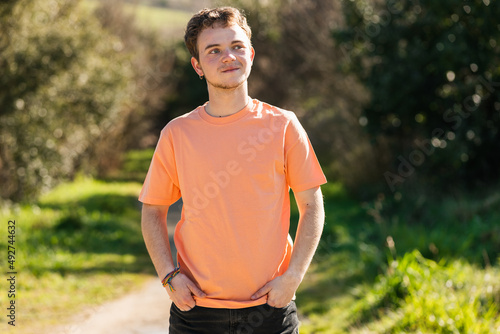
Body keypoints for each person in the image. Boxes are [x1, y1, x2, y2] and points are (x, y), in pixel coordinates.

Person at [139, 6, 326, 334]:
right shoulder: (177, 134)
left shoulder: (283, 126)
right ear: (197, 65)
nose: (228, 57)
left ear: (250, 54)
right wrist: (169, 276)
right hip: (196, 313)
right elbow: (153, 211)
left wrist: (293, 277)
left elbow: (312, 205)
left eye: (237, 46)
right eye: (214, 50)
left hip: (271, 309)